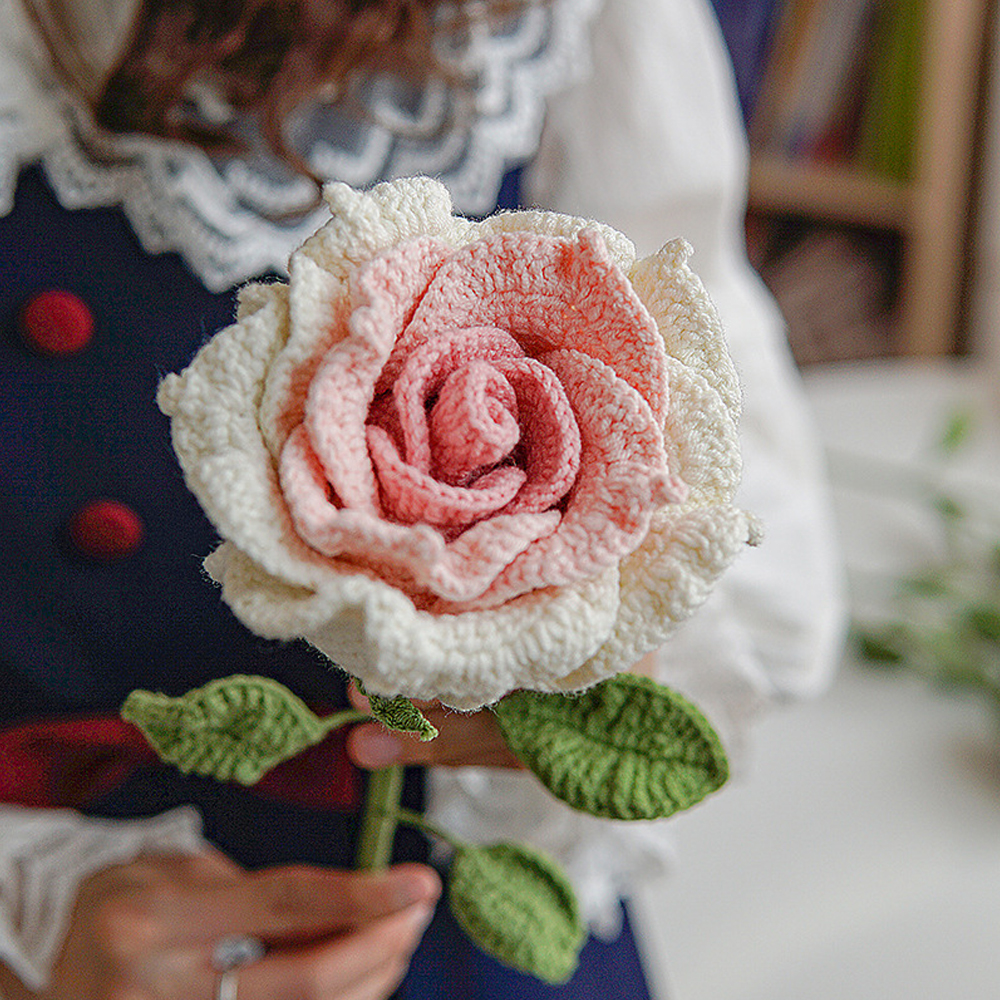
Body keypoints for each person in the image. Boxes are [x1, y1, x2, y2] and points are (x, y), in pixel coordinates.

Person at [0, 0, 846, 997]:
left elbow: (728, 463)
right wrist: (29, 926)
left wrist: (615, 630)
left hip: (456, 921)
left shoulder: (565, 23)